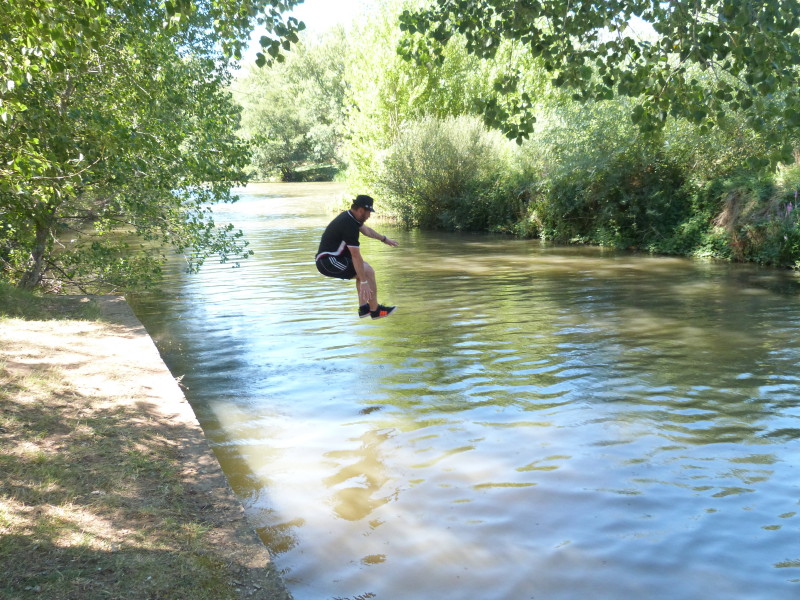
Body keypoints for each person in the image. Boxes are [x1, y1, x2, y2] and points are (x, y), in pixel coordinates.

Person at [315, 194, 399, 319]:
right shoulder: (348, 224)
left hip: (335, 259)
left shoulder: (351, 218)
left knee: (365, 269)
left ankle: (364, 308)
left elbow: (367, 231)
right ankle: (375, 310)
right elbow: (355, 255)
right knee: (366, 271)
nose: (369, 215)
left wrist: (384, 239)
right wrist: (364, 281)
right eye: (369, 212)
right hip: (328, 261)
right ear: (361, 210)